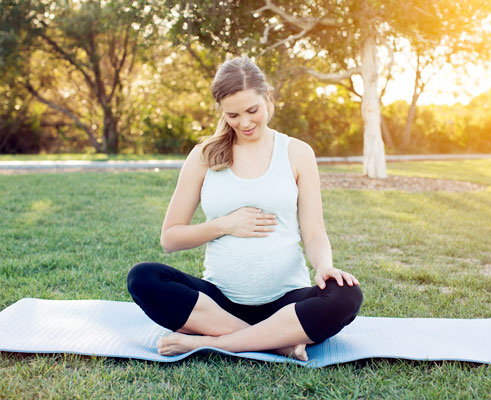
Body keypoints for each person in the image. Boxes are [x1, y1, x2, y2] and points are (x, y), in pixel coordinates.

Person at [127, 57, 362, 361]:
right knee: (142, 278)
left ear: (268, 97)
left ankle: (217, 342)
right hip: (218, 305)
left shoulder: (297, 153)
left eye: (252, 111)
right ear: (222, 111)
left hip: (286, 304)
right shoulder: (203, 156)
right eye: (233, 115)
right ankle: (277, 343)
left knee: (347, 294)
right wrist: (225, 225)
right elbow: (170, 238)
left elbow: (314, 233)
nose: (245, 123)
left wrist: (324, 266)